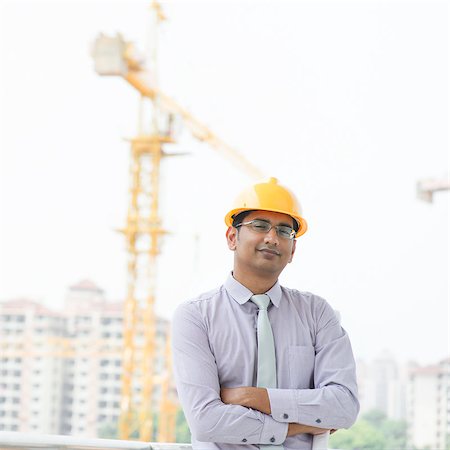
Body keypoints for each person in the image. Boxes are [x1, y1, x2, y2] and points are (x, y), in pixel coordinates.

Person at [172, 177, 359, 450]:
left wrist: (255, 397)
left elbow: (344, 407)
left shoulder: (318, 314)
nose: (272, 238)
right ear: (232, 237)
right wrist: (300, 424)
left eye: (285, 231)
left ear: (293, 249)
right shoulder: (195, 317)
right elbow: (205, 421)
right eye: (260, 226)